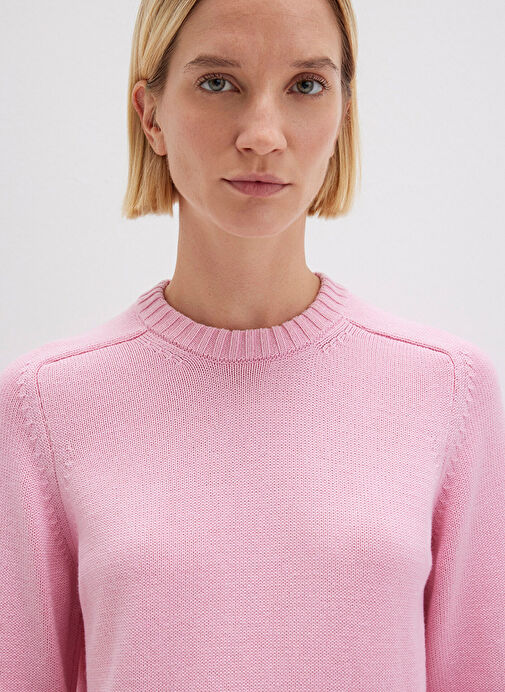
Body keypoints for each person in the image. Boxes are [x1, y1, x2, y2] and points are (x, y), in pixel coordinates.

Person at [1, 0, 504, 690]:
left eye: (306, 85)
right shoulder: (45, 404)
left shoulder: (448, 391)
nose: (262, 135)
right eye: (218, 82)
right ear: (150, 116)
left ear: (344, 113)